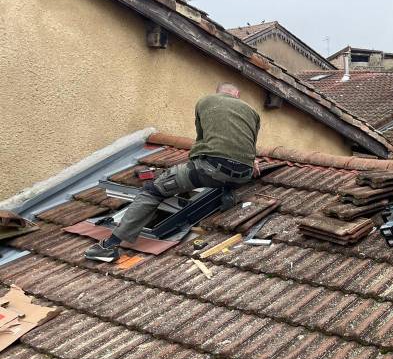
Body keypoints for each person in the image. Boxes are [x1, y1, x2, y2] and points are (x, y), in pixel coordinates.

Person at [85, 82, 261, 262]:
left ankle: (110, 245)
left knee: (152, 190)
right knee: (224, 173)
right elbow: (248, 145)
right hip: (244, 173)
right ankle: (227, 193)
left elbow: (203, 140)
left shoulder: (205, 102)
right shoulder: (253, 112)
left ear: (217, 93)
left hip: (211, 169)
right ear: (237, 94)